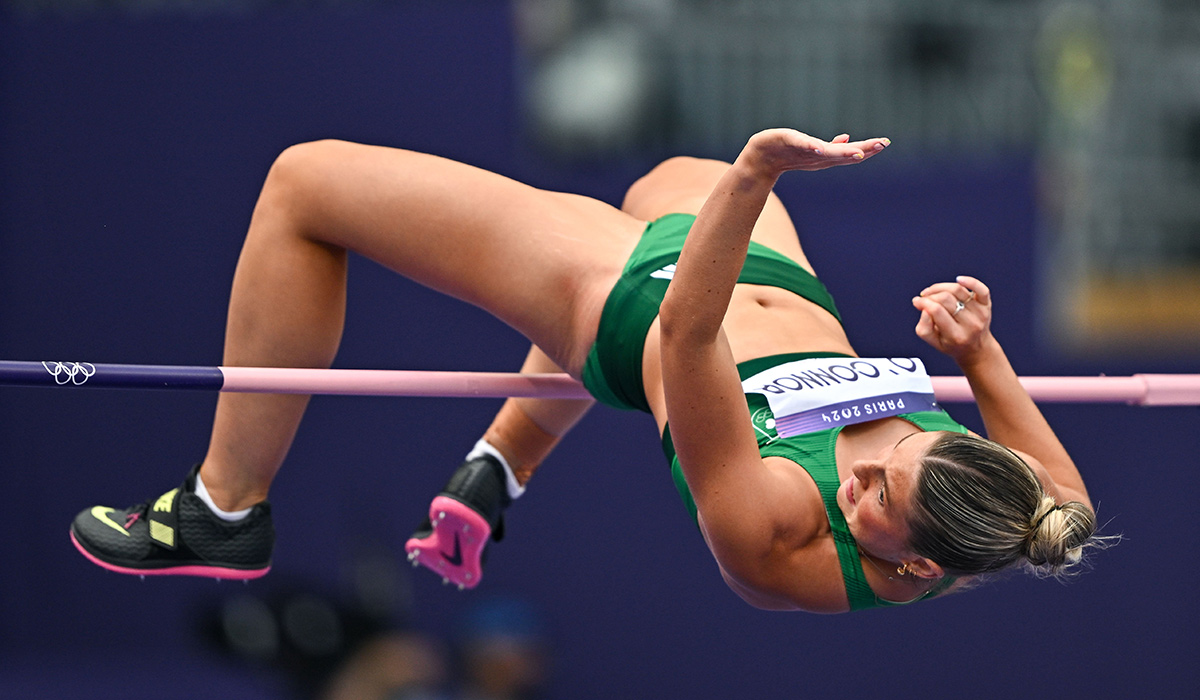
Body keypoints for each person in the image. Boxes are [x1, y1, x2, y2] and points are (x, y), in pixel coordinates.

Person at [70, 128, 1100, 613]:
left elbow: (688, 342)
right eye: (910, 447)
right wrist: (978, 353)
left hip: (637, 305)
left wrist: (752, 179)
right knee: (667, 176)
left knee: (304, 184)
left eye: (876, 495)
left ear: (919, 569)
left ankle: (222, 505)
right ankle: (502, 460)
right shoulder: (1001, 511)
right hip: (786, 283)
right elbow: (1064, 502)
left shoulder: (777, 535)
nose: (867, 468)